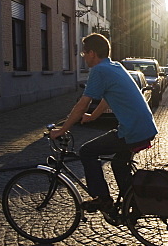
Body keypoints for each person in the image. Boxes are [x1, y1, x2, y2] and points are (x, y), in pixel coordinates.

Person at [50, 33, 158, 212]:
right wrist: (93, 117)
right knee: (118, 163)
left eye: (84, 53)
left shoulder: (99, 70)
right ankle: (134, 205)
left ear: (92, 53)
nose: (83, 57)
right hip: (145, 127)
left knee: (87, 151)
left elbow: (81, 104)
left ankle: (102, 198)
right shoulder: (115, 66)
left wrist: (62, 130)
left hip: (133, 130)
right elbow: (107, 98)